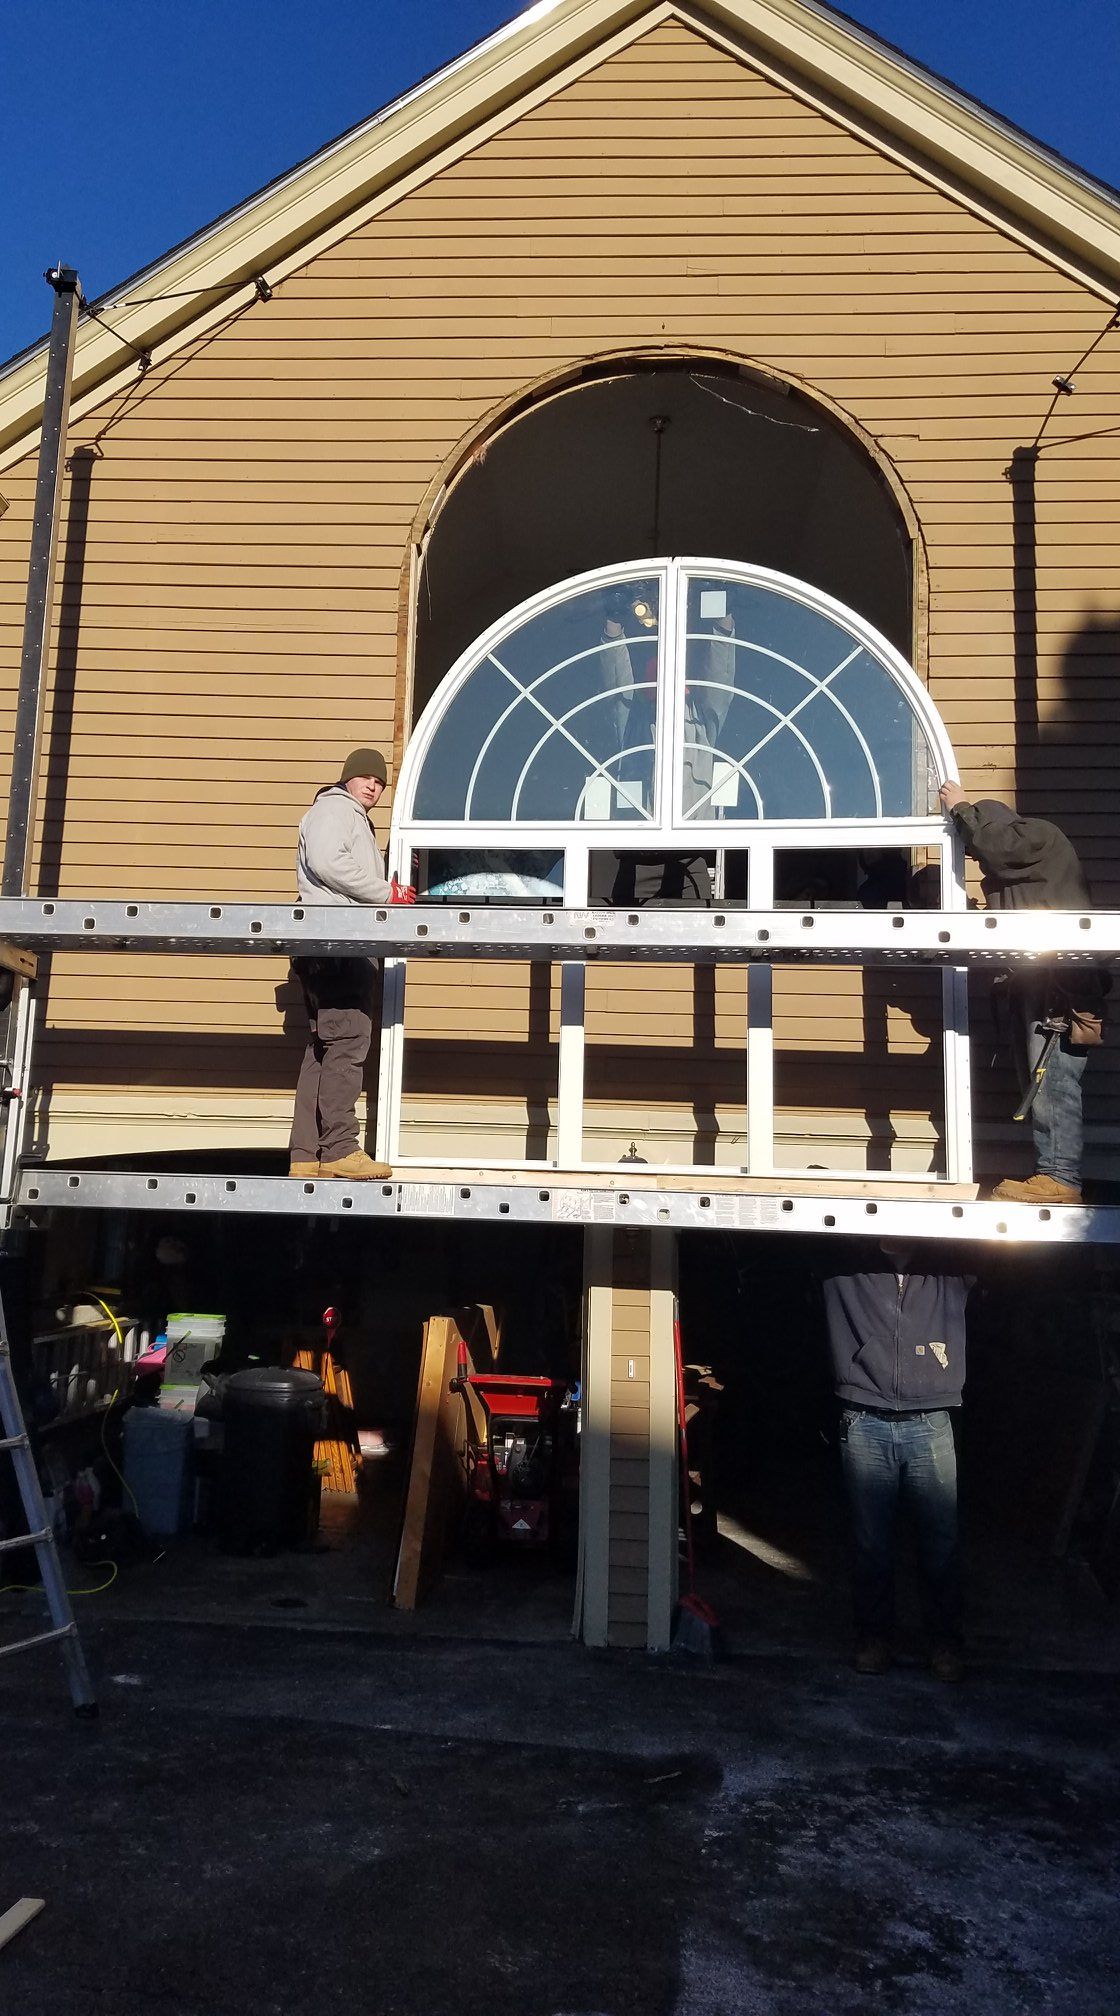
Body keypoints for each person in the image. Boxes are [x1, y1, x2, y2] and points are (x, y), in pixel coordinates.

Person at [939, 784, 1103, 1204]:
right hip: (1044, 981)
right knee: (1042, 1080)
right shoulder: (1025, 875)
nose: (977, 862)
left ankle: (1060, 1179)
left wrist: (961, 809)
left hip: (1058, 987)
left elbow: (996, 847)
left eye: (973, 851)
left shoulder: (1037, 835)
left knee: (1053, 1081)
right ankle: (1052, 1173)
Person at [822, 1240, 973, 1681]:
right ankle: (874, 1639)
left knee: (941, 1544)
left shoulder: (952, 1263)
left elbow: (1004, 1245)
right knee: (872, 1545)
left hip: (932, 1419)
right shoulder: (842, 1258)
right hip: (864, 1418)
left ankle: (945, 1644)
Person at [289, 747, 414, 1180]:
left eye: (379, 783)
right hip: (337, 943)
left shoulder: (346, 815)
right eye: (366, 778)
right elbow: (327, 861)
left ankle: (306, 1155)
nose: (374, 786)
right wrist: (386, 894)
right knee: (348, 1042)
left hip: (326, 942)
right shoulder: (335, 810)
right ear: (347, 779)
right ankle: (341, 1149)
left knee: (324, 1049)